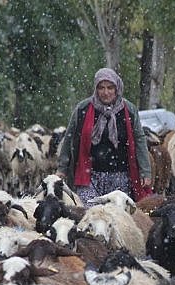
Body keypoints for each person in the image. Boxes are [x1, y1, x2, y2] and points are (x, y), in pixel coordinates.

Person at [56, 68, 152, 205]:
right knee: (89, 216)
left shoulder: (129, 110)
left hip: (120, 176)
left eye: (110, 88)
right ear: (96, 89)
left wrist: (145, 172)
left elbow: (139, 140)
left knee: (117, 218)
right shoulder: (83, 109)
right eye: (101, 88)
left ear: (117, 88)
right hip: (89, 176)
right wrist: (62, 168)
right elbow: (69, 138)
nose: (105, 92)